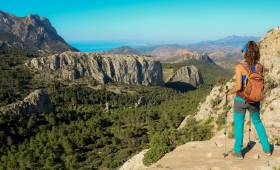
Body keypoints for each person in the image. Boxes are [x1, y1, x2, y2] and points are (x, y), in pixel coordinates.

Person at [225, 41, 271, 160]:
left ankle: (238, 151)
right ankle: (267, 149)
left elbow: (239, 87)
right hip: (255, 100)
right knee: (257, 122)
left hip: (241, 100)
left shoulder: (240, 67)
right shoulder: (260, 67)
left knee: (239, 125)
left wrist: (228, 92)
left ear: (245, 53)